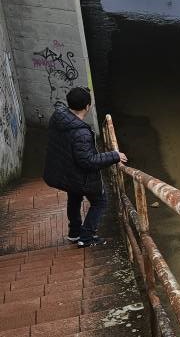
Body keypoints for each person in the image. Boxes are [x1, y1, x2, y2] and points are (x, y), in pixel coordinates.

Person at [43, 86, 128, 248]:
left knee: (74, 197)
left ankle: (74, 233)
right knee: (100, 202)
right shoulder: (81, 132)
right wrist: (114, 156)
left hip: (65, 172)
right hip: (76, 174)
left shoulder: (58, 117)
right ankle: (86, 237)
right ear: (88, 106)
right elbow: (87, 161)